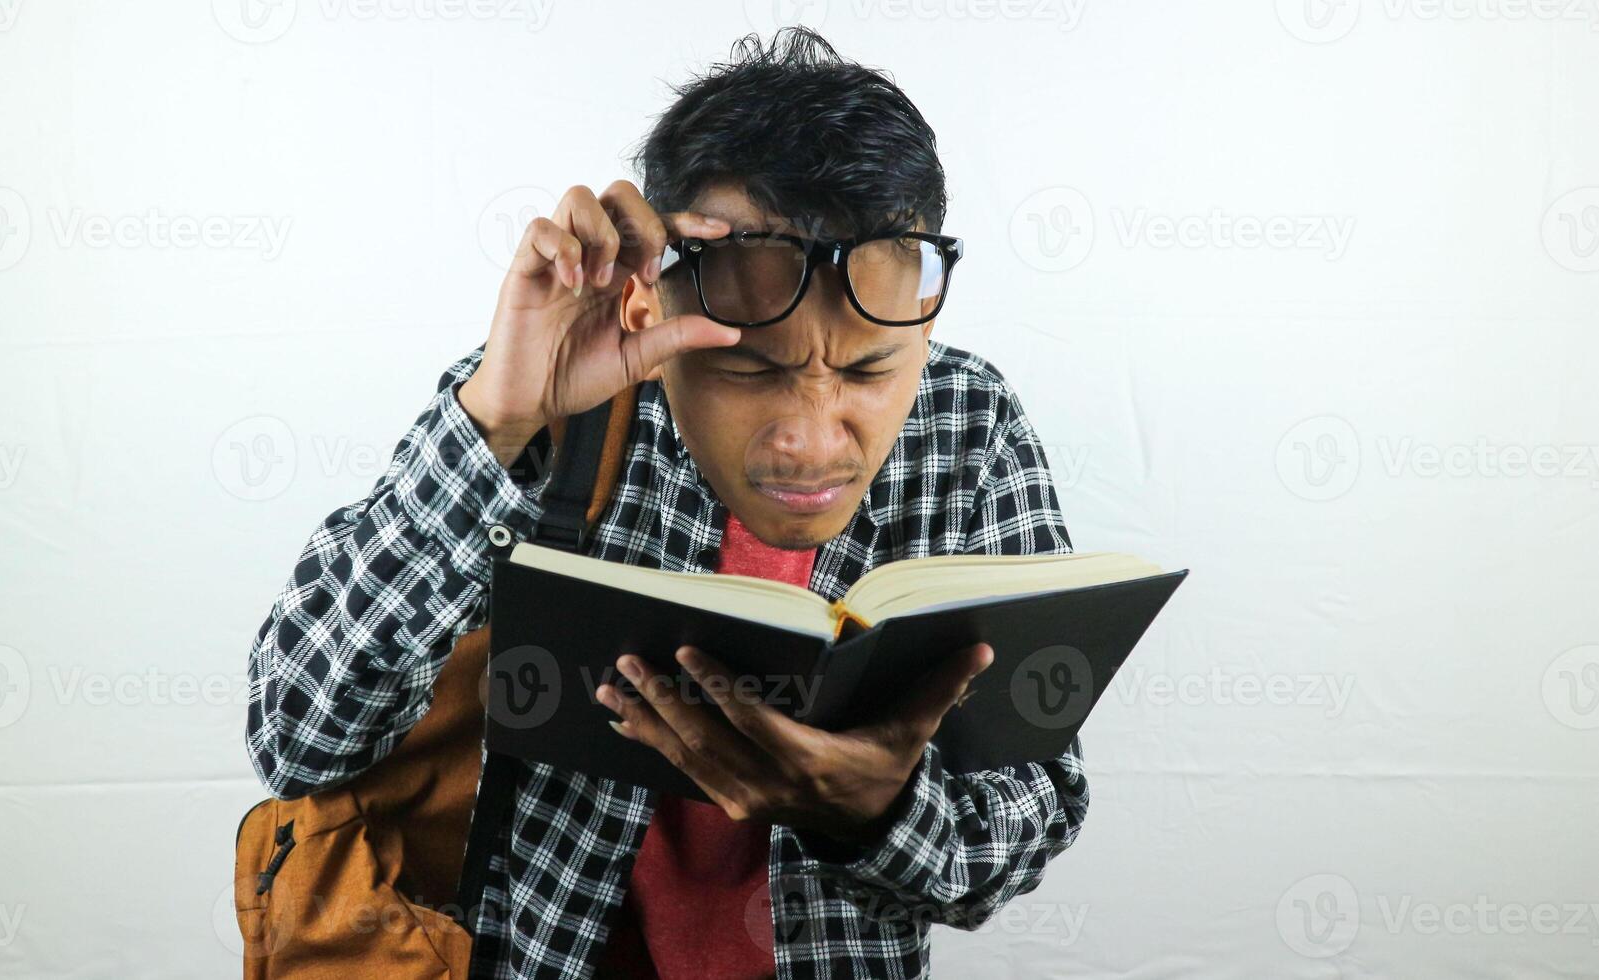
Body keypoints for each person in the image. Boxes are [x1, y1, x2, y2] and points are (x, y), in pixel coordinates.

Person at [246, 28, 1087, 979]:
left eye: (867, 369)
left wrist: (880, 813)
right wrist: (495, 419)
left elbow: (1030, 815)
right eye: (749, 369)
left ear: (925, 320)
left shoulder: (968, 427)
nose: (811, 438)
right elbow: (298, 739)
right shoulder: (549, 404)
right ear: (656, 312)